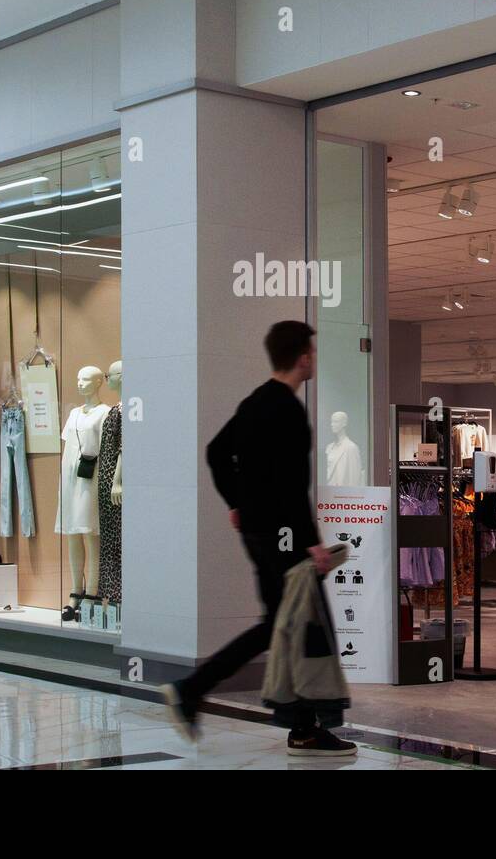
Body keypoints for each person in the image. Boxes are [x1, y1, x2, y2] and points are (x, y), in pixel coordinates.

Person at [161, 320, 357, 757]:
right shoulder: (286, 409)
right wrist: (311, 543)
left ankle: (200, 691)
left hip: (258, 532)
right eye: (312, 353)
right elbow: (291, 485)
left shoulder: (253, 403)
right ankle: (303, 727)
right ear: (303, 356)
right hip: (284, 536)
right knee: (306, 626)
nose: (314, 360)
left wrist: (236, 502)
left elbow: (216, 453)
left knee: (279, 625)